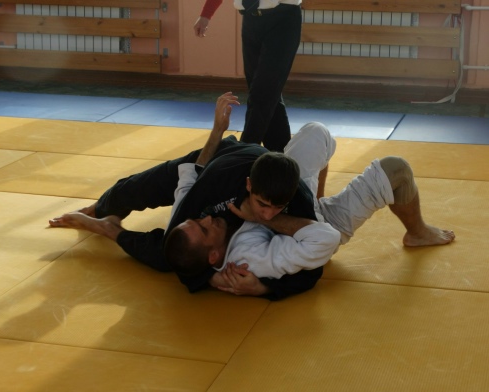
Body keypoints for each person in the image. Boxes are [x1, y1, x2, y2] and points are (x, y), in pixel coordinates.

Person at [50, 93, 326, 300]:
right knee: (133, 192)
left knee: (168, 258)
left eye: (274, 208)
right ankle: (102, 211)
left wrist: (264, 288)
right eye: (261, 205)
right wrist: (217, 132)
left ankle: (111, 229)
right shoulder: (214, 185)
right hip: (209, 162)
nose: (267, 213)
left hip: (256, 175)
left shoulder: (296, 197)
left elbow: (314, 270)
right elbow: (194, 175)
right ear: (249, 187)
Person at [164, 121, 456, 288]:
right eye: (204, 229)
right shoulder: (247, 260)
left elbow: (189, 180)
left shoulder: (188, 225)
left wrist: (217, 129)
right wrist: (261, 218)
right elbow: (324, 238)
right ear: (214, 255)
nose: (205, 218)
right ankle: (417, 232)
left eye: (196, 221)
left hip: (285, 197)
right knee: (397, 170)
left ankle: (314, 198)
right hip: (318, 227)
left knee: (316, 132)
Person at [194, 0, 302, 152]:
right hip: (251, 19)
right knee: (267, 94)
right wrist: (206, 15)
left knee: (262, 92)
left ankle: (242, 152)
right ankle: (280, 155)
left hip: (283, 20)